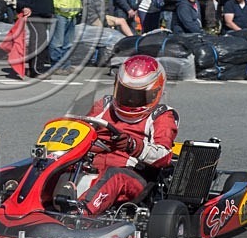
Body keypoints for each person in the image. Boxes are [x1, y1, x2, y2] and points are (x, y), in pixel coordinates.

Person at [76, 55, 178, 216]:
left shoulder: (161, 115)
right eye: (125, 93)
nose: (130, 100)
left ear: (155, 92)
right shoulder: (104, 105)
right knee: (47, 163)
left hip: (133, 175)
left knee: (115, 176)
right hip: (93, 165)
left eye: (138, 96)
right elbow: (83, 129)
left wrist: (133, 145)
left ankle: (81, 213)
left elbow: (164, 156)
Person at [50, 0, 83, 75]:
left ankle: (66, 65)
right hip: (60, 13)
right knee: (57, 42)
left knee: (68, 43)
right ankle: (56, 66)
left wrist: (79, 8)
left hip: (72, 13)